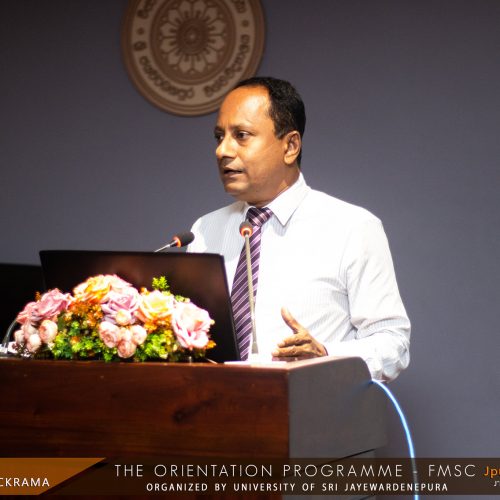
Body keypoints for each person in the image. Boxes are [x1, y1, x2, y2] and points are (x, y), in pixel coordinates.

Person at [188, 76, 410, 381]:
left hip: (312, 408)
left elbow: (393, 343)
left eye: (241, 135)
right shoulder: (204, 230)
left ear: (290, 146)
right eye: (219, 137)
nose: (222, 150)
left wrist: (326, 355)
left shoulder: (352, 227)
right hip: (215, 405)